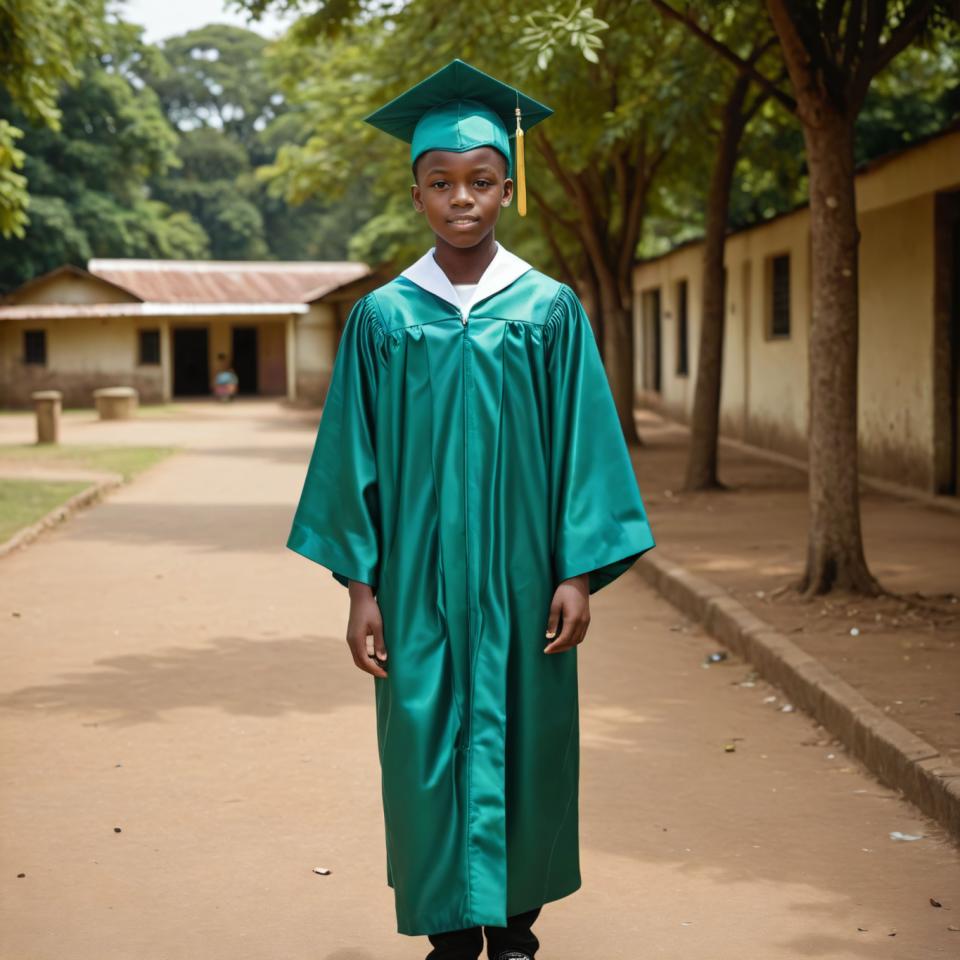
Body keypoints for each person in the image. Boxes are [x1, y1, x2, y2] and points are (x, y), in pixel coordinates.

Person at [286, 59, 655, 960]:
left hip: (526, 585)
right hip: (416, 589)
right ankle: (450, 939)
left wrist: (578, 571)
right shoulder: (381, 319)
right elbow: (351, 462)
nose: (462, 198)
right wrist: (358, 587)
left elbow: (586, 449)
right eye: (442, 182)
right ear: (415, 192)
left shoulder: (550, 312)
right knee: (424, 749)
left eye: (481, 181)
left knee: (526, 747)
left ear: (508, 187)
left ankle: (518, 936)